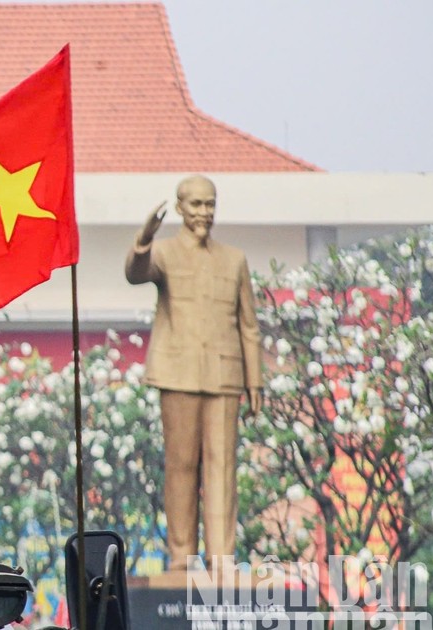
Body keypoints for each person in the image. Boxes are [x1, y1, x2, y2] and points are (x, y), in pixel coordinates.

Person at [124, 175, 263, 571]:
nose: (204, 212)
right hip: (177, 373)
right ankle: (182, 556)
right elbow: (135, 273)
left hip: (225, 377)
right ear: (181, 207)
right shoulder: (164, 253)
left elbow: (248, 324)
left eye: (210, 205)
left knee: (223, 469)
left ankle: (222, 558)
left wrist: (255, 380)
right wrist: (144, 238)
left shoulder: (233, 259)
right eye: (196, 204)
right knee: (181, 466)